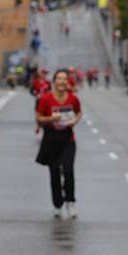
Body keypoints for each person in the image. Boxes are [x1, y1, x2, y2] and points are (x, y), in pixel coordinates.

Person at [35, 68, 82, 219]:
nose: (61, 81)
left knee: (68, 170)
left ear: (68, 82)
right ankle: (57, 204)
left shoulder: (73, 99)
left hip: (68, 139)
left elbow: (79, 112)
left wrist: (75, 120)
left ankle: (70, 201)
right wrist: (51, 119)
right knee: (54, 173)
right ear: (54, 81)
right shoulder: (46, 99)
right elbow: (39, 118)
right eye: (59, 79)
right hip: (51, 140)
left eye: (64, 79)